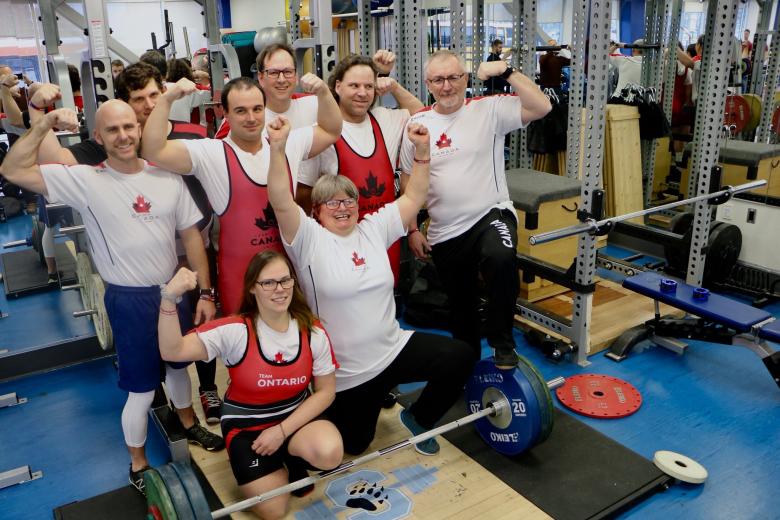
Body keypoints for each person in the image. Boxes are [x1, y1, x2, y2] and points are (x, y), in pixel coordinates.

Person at [0, 100, 224, 494]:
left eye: (128, 127)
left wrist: (205, 291)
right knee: (140, 389)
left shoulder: (167, 178)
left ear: (139, 130)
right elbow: (11, 169)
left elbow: (191, 235)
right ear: (98, 137)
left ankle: (189, 425)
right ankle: (138, 463)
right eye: (112, 130)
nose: (123, 136)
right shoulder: (85, 179)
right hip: (129, 299)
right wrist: (45, 122)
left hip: (173, 293)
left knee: (178, 369)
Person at [28, 62, 225, 424]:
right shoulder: (106, 146)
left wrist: (207, 287)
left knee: (192, 343)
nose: (150, 104)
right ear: (125, 107)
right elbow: (53, 161)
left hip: (187, 255)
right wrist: (38, 112)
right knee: (147, 374)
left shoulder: (193, 136)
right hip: (136, 276)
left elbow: (212, 194)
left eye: (155, 94)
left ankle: (206, 392)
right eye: (139, 99)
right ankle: (159, 406)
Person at [267, 113, 474, 457]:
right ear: (316, 211)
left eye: (348, 199)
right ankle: (311, 408)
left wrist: (423, 151)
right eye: (331, 201)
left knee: (461, 356)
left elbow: (415, 195)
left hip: (393, 351)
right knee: (354, 446)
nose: (343, 206)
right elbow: (280, 199)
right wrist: (277, 150)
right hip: (349, 374)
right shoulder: (307, 240)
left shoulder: (374, 228)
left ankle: (419, 419)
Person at [158, 251, 342, 518]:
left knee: (330, 453)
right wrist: (168, 298)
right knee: (273, 511)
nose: (279, 289)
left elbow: (326, 392)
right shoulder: (235, 330)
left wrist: (280, 431)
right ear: (253, 288)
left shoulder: (313, 332)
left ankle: (290, 455)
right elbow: (171, 351)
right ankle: (271, 463)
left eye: (285, 280)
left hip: (293, 419)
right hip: (247, 428)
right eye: (268, 283)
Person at [141, 73, 342, 316]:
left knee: (291, 342)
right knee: (244, 347)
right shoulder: (211, 153)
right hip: (239, 278)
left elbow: (332, 129)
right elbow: (153, 150)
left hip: (288, 271)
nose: (251, 118)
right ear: (225, 113)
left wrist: (322, 91)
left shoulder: (286, 142)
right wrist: (167, 99)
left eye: (257, 109)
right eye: (240, 111)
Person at [400, 49, 551, 368]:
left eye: (454, 77)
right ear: (428, 84)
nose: (447, 86)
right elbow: (409, 180)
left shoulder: (489, 109)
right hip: (444, 231)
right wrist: (412, 229)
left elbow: (542, 106)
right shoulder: (418, 124)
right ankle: (466, 361)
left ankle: (502, 341)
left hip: (490, 214)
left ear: (465, 78)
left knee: (500, 256)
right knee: (461, 306)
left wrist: (507, 71)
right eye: (438, 80)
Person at [300, 51, 423, 282]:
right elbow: (304, 192)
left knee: (385, 299)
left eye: (369, 86)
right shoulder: (322, 132)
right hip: (340, 241)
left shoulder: (385, 119)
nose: (362, 93)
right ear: (337, 87)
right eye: (354, 85)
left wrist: (394, 86)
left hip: (384, 238)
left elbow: (423, 115)